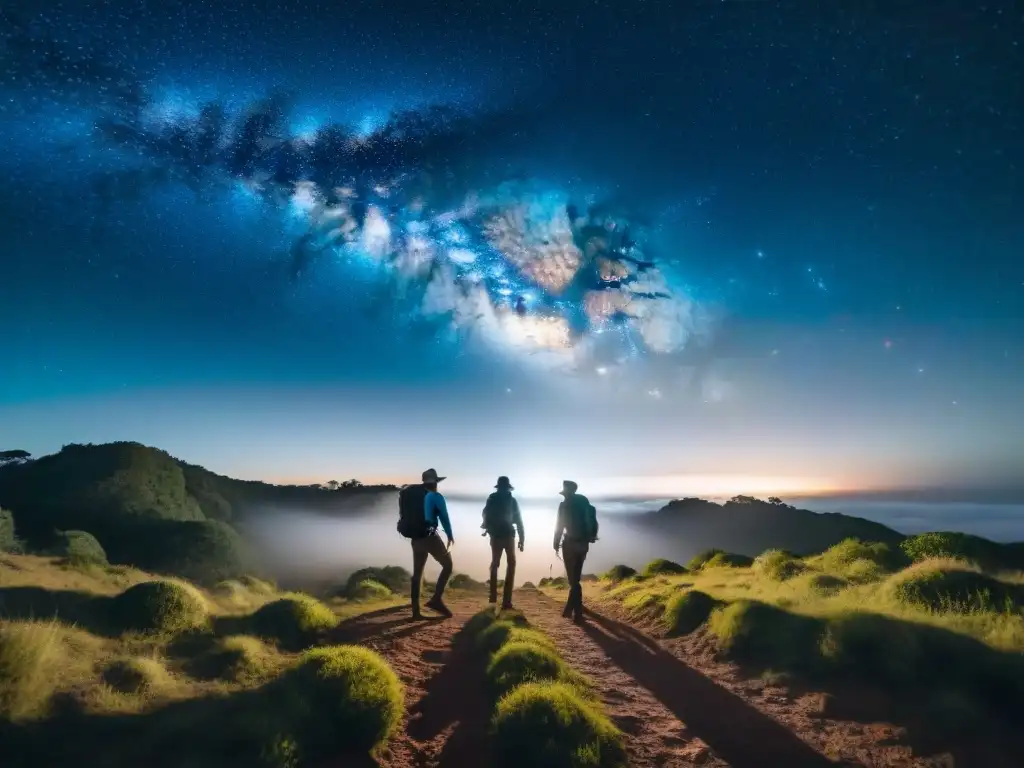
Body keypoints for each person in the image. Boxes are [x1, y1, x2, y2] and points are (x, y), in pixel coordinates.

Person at [397, 468, 455, 619]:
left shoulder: (409, 494)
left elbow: (403, 514)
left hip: (415, 538)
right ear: (435, 482)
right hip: (430, 538)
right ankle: (436, 600)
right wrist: (449, 535)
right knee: (448, 566)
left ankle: (416, 612)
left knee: (417, 574)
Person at [552, 480, 598, 623]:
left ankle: (577, 612)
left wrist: (555, 542)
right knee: (576, 577)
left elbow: (559, 526)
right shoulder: (584, 502)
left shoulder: (564, 505)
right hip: (583, 544)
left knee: (573, 580)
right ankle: (569, 609)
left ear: (566, 493)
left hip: (570, 544)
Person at [481, 476, 525, 608]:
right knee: (511, 564)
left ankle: (493, 597)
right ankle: (507, 600)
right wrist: (522, 539)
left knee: (495, 563)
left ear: (498, 487)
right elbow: (518, 520)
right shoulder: (512, 501)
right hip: (508, 536)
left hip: (495, 536)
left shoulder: (492, 498)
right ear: (508, 487)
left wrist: (486, 527)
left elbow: (485, 514)